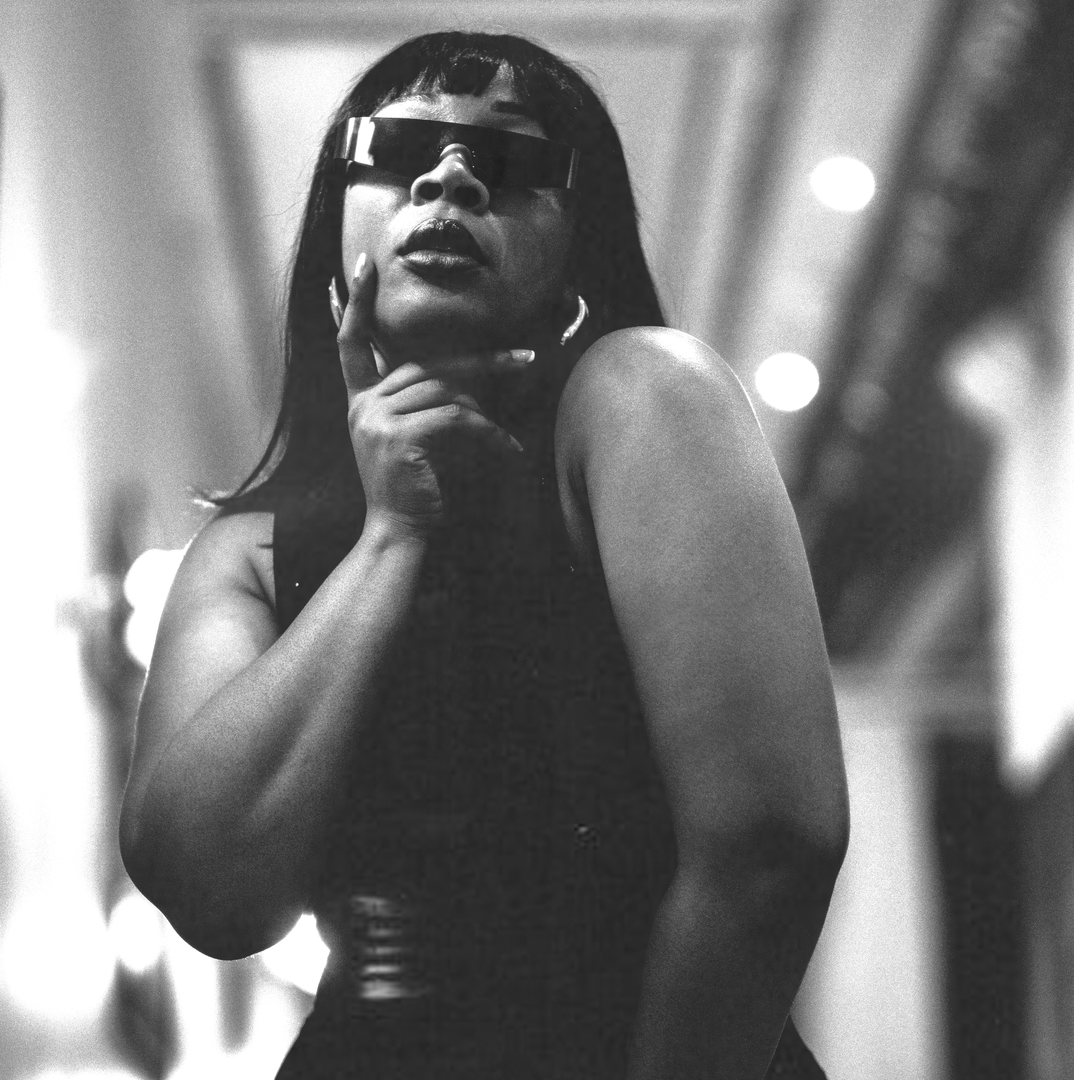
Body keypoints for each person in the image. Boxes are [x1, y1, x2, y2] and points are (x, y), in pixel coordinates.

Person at [119, 31, 849, 1080]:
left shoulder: (640, 396)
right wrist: (393, 535)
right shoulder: (246, 553)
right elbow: (210, 893)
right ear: (334, 218)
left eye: (509, 161)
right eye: (400, 148)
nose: (452, 176)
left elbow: (772, 846)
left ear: (578, 247)